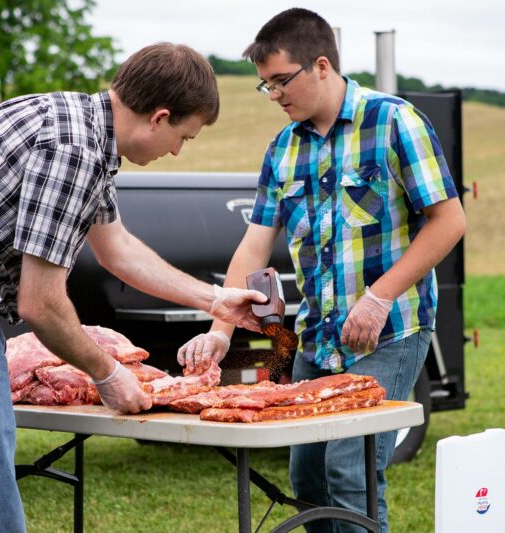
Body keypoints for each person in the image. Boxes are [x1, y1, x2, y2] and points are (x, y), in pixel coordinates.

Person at [0, 42, 266, 533]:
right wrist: (107, 372)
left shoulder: (70, 121)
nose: (178, 151)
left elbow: (118, 251)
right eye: (184, 137)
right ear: (159, 118)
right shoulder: (73, 151)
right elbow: (41, 303)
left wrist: (215, 299)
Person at [177, 9, 466, 532]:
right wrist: (222, 329)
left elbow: (448, 222)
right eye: (265, 87)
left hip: (392, 331)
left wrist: (379, 297)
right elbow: (252, 249)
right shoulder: (283, 150)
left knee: (348, 467)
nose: (276, 96)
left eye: (281, 81)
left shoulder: (394, 121)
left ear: (323, 66)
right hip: (316, 337)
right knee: (307, 473)